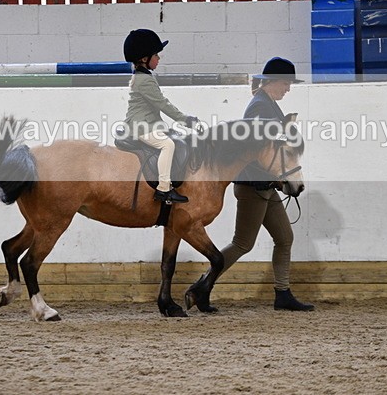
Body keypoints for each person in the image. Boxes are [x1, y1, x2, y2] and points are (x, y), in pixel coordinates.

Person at [206, 57, 314, 311]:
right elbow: (252, 152)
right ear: (272, 82)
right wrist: (277, 177)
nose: (288, 88)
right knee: (242, 244)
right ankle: (203, 284)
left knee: (285, 237)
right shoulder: (260, 109)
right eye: (286, 83)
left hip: (266, 186)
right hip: (253, 186)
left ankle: (283, 294)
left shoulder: (270, 106)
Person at [123, 29, 198, 204]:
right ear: (144, 59)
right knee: (167, 145)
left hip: (148, 123)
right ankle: (164, 189)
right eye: (156, 55)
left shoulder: (142, 77)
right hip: (140, 127)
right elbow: (162, 104)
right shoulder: (145, 80)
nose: (159, 58)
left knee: (174, 138)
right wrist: (185, 119)